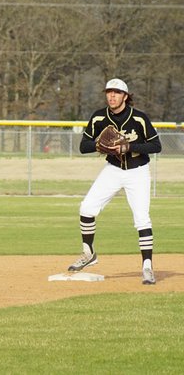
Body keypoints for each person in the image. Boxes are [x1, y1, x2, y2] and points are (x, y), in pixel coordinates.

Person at [67, 78, 161, 285]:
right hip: (113, 169)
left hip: (138, 171)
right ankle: (88, 254)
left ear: (125, 97)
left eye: (116, 92)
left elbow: (156, 146)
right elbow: (84, 146)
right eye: (109, 92)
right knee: (87, 207)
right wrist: (100, 145)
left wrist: (130, 147)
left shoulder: (140, 118)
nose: (112, 96)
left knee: (142, 218)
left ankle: (147, 267)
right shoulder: (99, 117)